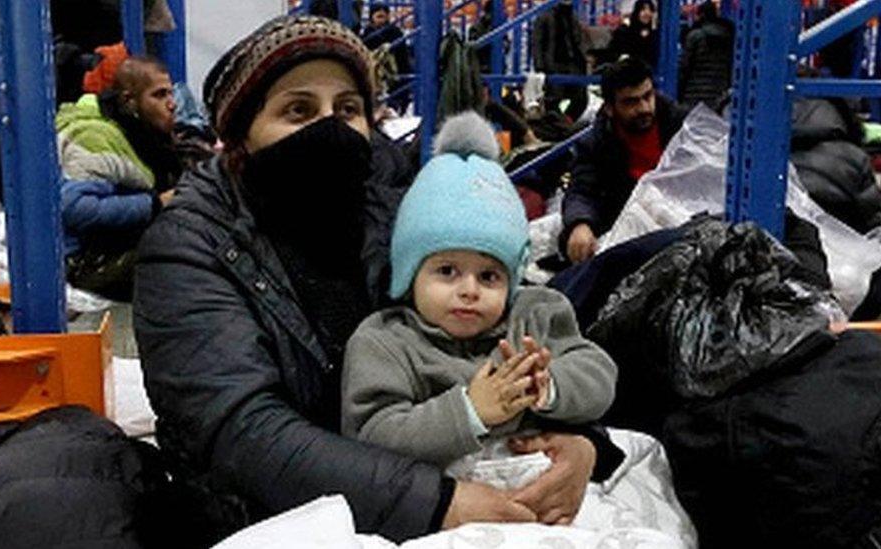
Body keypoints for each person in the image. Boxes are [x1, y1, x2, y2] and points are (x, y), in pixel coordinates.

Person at [134, 15, 621, 546]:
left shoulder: (399, 210)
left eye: (348, 110)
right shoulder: (189, 247)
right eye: (298, 110)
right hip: (269, 510)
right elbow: (241, 430)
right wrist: (434, 503)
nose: (330, 128)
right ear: (241, 138)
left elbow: (505, 327)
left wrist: (579, 443)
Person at [342, 114, 619, 523]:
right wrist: (471, 410)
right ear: (408, 274)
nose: (470, 290)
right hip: (446, 509)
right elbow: (372, 435)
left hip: (544, 496)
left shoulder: (536, 314)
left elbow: (598, 373)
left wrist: (552, 386)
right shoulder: (386, 341)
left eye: (489, 275)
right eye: (447, 271)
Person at [56, 55, 181, 301]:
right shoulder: (96, 137)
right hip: (82, 263)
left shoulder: (139, 135)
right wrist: (155, 204)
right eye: (159, 95)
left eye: (170, 94)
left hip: (108, 248)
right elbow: (73, 208)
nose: (172, 104)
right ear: (129, 101)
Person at [560, 57, 687, 264]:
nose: (644, 108)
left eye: (648, 96)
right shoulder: (596, 143)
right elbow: (582, 191)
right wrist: (580, 224)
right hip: (627, 236)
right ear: (610, 108)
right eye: (631, 102)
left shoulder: (682, 127)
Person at [531, 0, 589, 121]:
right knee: (553, 101)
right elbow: (538, 43)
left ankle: (564, 124)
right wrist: (540, 68)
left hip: (572, 66)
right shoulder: (545, 16)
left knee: (580, 99)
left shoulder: (572, 16)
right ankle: (559, 126)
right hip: (554, 66)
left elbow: (578, 41)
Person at [678, 0, 734, 107]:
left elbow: (684, 68)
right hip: (718, 95)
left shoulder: (694, 36)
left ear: (700, 15)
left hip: (694, 95)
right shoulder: (728, 36)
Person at [608, 0, 659, 69]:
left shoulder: (655, 32)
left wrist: (653, 30)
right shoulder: (625, 31)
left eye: (650, 10)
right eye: (643, 9)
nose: (647, 13)